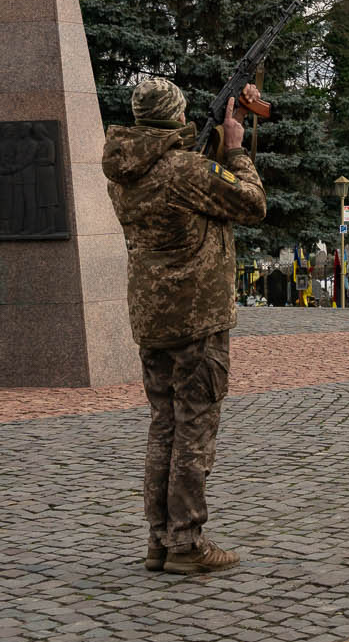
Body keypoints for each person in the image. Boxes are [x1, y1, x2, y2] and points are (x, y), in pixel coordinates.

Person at [102, 77, 267, 576]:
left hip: (152, 319)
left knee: (164, 427)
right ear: (176, 117)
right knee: (194, 430)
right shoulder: (185, 171)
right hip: (198, 319)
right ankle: (186, 543)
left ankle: (159, 538)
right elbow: (254, 204)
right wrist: (236, 151)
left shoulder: (124, 174)